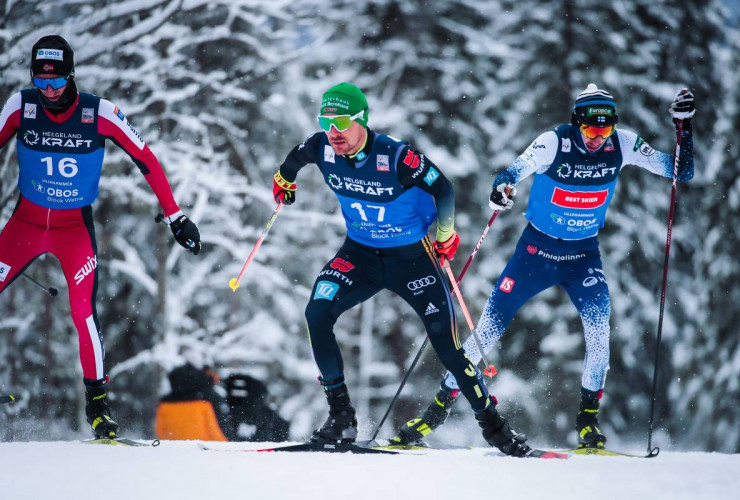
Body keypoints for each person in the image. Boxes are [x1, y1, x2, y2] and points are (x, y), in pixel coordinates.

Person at [392, 83, 695, 449]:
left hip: (583, 257)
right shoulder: (554, 143)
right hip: (534, 254)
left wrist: (685, 126)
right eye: (590, 128)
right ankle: (434, 414)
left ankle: (587, 423)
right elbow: (511, 172)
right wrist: (502, 189)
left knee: (600, 335)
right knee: (485, 332)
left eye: (605, 128)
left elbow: (682, 171)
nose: (598, 137)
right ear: (576, 123)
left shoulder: (624, 144)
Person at [272, 82, 530, 456]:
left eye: (341, 121)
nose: (334, 131)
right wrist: (284, 182)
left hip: (412, 260)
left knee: (449, 347)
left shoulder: (396, 157)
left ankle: (495, 427)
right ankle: (341, 418)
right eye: (326, 121)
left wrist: (445, 234)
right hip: (359, 255)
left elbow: (443, 189)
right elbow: (292, 162)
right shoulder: (321, 147)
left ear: (362, 120)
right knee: (317, 311)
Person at [0, 35, 201, 439]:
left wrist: (175, 216)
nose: (49, 92)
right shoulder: (21, 106)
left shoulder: (100, 114)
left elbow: (146, 158)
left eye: (56, 83)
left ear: (72, 77)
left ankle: (97, 408)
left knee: (83, 313)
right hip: (25, 224)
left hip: (73, 230)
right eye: (41, 83)